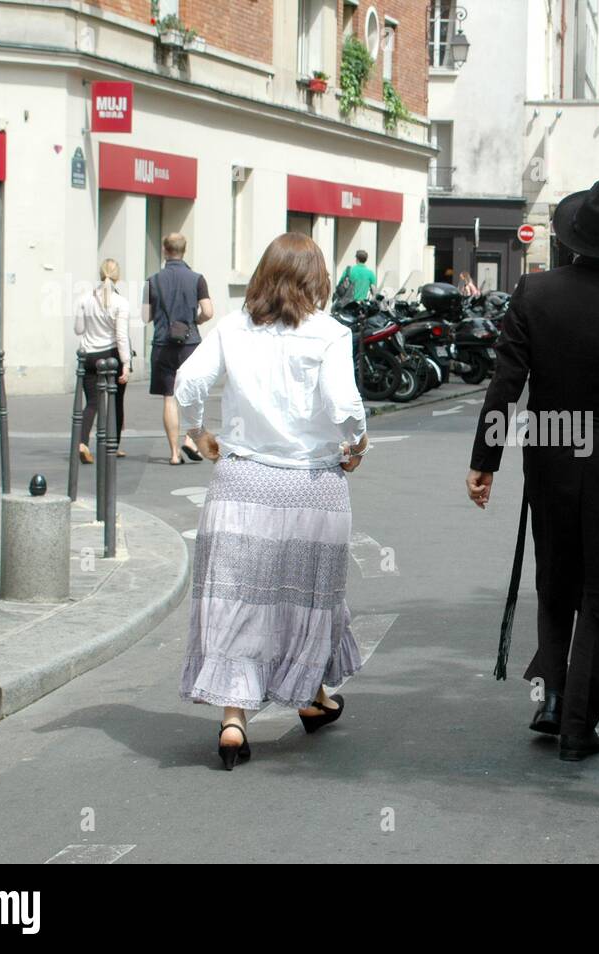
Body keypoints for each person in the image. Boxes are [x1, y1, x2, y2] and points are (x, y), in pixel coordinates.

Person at [465, 179, 599, 762]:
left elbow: (506, 382)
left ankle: (555, 700)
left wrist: (486, 461)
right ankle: (579, 725)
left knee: (556, 579)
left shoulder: (534, 293)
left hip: (552, 448)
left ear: (571, 240)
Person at [174, 233, 369, 772]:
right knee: (308, 598)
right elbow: (342, 401)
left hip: (242, 482)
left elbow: (188, 380)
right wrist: (357, 440)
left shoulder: (233, 328)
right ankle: (310, 694)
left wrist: (197, 431)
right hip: (311, 484)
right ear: (317, 279)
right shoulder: (330, 333)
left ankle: (235, 717)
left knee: (238, 599)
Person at [144, 233, 213, 465]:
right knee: (193, 394)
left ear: (165, 250)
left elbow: (145, 316)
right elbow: (208, 311)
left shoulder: (152, 281)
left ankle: (174, 453)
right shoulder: (197, 279)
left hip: (163, 343)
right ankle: (190, 440)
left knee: (169, 397)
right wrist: (197, 320)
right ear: (185, 250)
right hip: (190, 343)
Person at [74, 259, 130, 463]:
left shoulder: (84, 299)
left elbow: (78, 329)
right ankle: (113, 445)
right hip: (111, 356)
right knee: (116, 399)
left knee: (93, 403)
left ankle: (82, 442)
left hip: (89, 355)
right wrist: (126, 363)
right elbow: (121, 336)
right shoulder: (121, 302)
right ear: (118, 276)